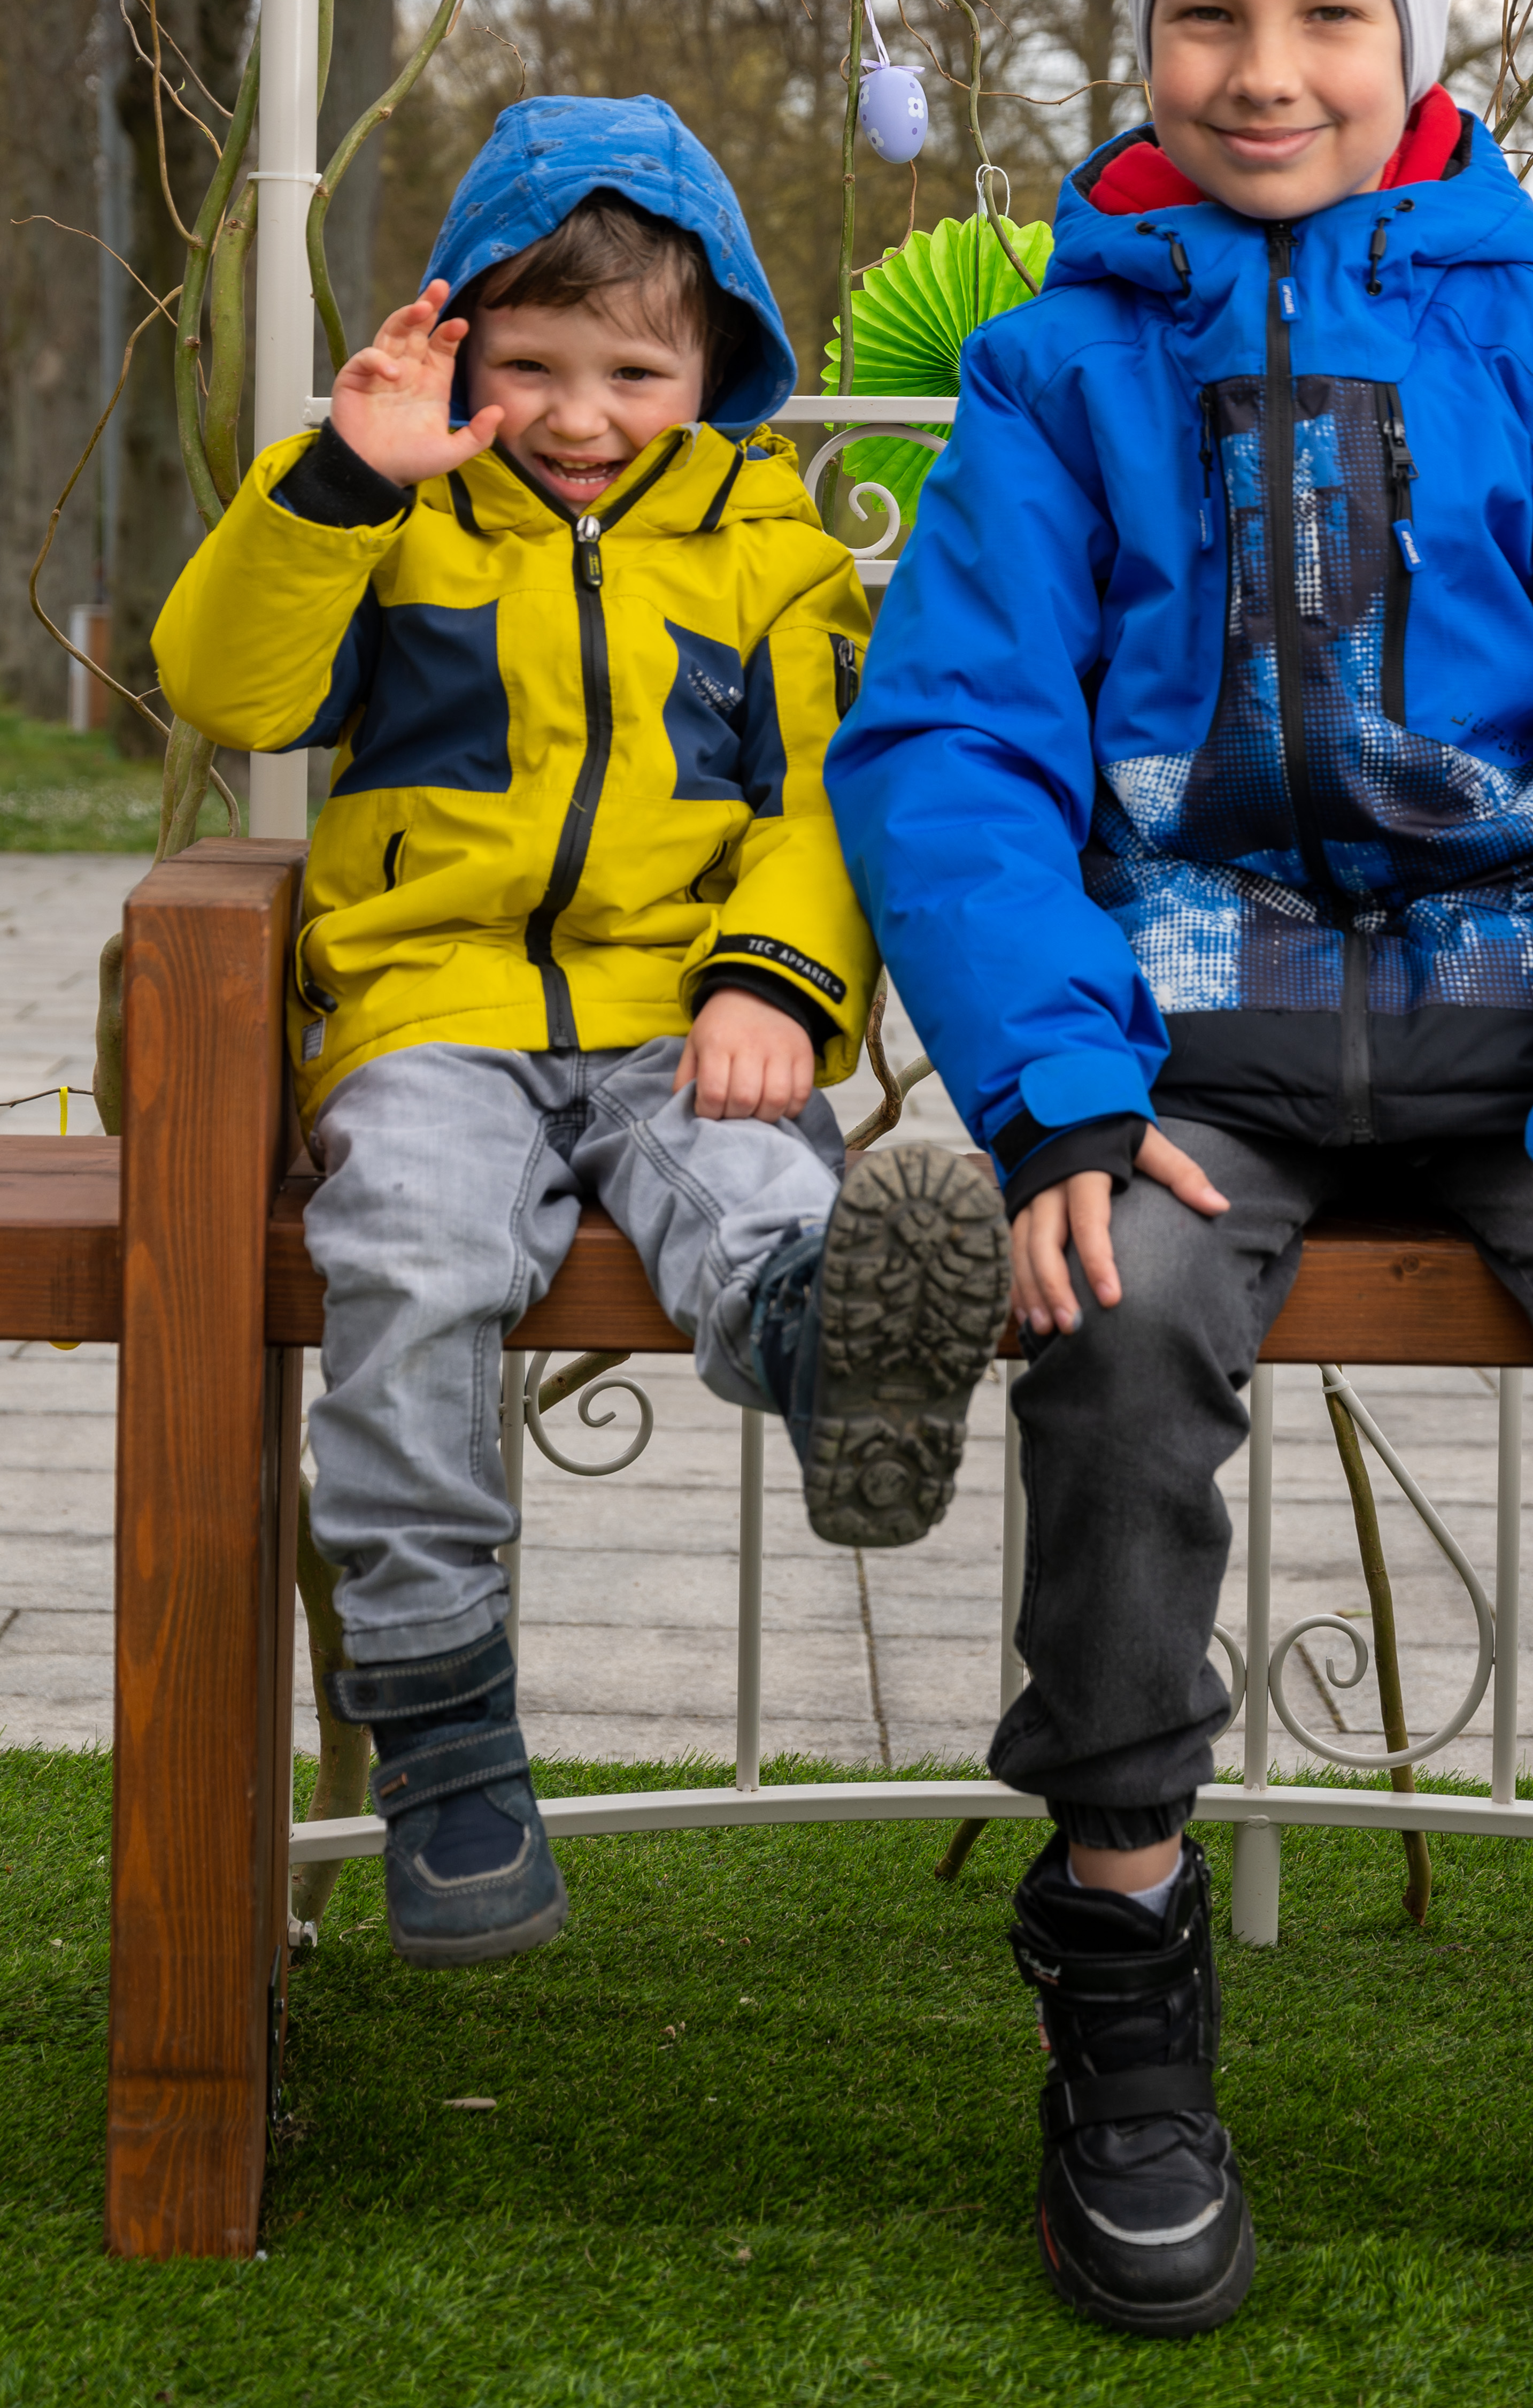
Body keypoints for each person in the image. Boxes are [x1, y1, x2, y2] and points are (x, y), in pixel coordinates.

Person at [827, 0, 1533, 2358]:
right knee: (1112, 1323)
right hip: (1188, 1042)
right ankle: (1120, 1949)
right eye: (1206, 11)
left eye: (1325, 11)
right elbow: (952, 743)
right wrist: (1058, 1096)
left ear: (1417, 36)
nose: (1262, 66)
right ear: (1142, 36)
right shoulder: (1052, 376)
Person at [153, 95, 1010, 1972]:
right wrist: (342, 479)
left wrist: (773, 982)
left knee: (752, 1187)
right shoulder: (391, 518)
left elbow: (823, 804)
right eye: (531, 364)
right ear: (461, 346)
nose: (577, 414)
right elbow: (226, 684)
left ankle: (833, 1349)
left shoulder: (773, 555)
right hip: (433, 1014)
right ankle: (445, 1729)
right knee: (414, 1256)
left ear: (715, 372)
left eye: (633, 372)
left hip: (678, 1013)